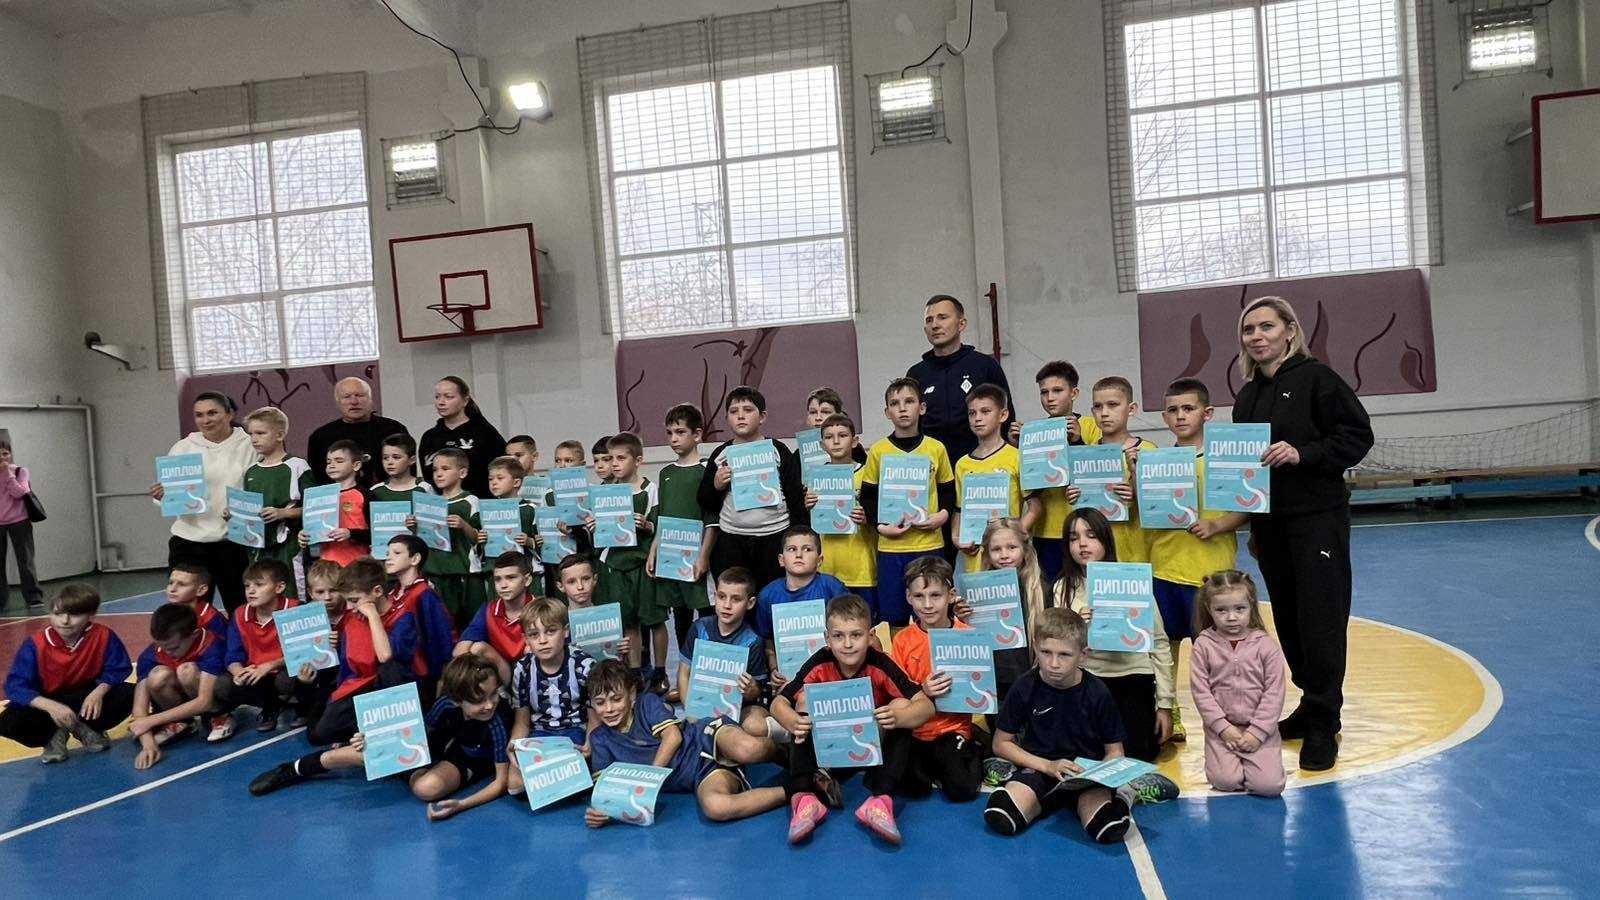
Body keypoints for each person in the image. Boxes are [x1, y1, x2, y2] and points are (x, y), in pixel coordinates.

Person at [1232, 296, 1373, 771]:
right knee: (1290, 621)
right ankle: (1311, 704)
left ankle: (1324, 722)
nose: (1257, 336)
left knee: (1320, 620)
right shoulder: (1247, 397)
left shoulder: (1318, 379)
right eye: (1249, 329)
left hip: (1316, 520)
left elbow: (1357, 437)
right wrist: (1252, 524)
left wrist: (1303, 453)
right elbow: (1243, 470)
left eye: (1266, 327)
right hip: (1271, 525)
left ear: (1290, 331)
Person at [247, 557, 422, 795]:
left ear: (377, 592)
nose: (352, 607)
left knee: (390, 671)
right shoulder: (354, 621)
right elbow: (347, 671)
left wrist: (372, 616)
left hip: (395, 695)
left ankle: (300, 767)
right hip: (359, 689)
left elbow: (385, 657)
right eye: (349, 601)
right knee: (319, 733)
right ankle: (358, 735)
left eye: (355, 601)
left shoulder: (402, 617)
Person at [771, 594, 933, 845]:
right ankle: (804, 797)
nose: (847, 644)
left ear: (870, 636)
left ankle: (880, 800)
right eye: (838, 636)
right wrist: (792, 720)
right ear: (827, 639)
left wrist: (899, 716)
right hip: (831, 748)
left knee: (901, 709)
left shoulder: (880, 662)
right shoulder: (820, 661)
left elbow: (926, 706)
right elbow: (778, 703)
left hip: (871, 748)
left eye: (856, 635)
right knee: (802, 708)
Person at [1149, 378, 1247, 745]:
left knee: (1217, 652)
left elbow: (1247, 506)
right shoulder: (1156, 464)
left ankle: (1226, 715)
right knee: (1165, 649)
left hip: (1211, 574)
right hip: (1164, 568)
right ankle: (1168, 709)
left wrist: (1216, 525)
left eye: (1188, 409)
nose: (1180, 416)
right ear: (1164, 417)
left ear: (1207, 413)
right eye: (1172, 410)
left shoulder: (1223, 460)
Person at [982, 607, 1133, 844]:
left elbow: (1115, 752)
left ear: (1083, 655)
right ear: (1035, 647)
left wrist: (1098, 775)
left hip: (1085, 776)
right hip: (1040, 768)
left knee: (1109, 828)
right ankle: (1041, 798)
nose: (1053, 663)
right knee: (1000, 815)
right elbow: (1001, 744)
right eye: (1046, 652)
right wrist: (1047, 765)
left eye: (1064, 655)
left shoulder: (1098, 692)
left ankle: (1126, 793)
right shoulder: (1024, 686)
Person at [587, 658, 786, 826]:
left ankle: (789, 754)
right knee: (717, 807)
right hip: (700, 773)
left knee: (748, 749)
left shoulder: (646, 703)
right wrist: (605, 811)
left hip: (704, 737)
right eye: (600, 703)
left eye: (616, 699)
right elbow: (606, 790)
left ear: (631, 695)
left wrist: (648, 780)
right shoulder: (599, 739)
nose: (609, 709)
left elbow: (673, 737)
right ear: (592, 704)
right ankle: (794, 788)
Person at [1057, 508, 1173, 763]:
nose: (1082, 544)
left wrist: (1165, 705)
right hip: (1087, 679)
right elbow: (1055, 648)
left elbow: (1159, 643)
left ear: (1105, 539)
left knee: (1139, 755)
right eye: (1074, 538)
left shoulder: (1134, 582)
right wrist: (1076, 624)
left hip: (1134, 677)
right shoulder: (1062, 588)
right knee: (1085, 754)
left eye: (1091, 535)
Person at [859, 377, 957, 625]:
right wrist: (881, 527)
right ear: (887, 412)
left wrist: (943, 515)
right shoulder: (878, 451)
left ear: (921, 408)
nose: (902, 408)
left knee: (933, 612)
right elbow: (868, 497)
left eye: (909, 401)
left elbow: (948, 491)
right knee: (895, 615)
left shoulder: (936, 448)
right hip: (891, 549)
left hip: (929, 545)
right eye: (895, 403)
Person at [0, 583, 133, 763]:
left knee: (131, 693)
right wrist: (51, 706)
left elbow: (118, 667)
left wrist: (99, 691)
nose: (64, 621)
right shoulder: (35, 644)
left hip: (84, 695)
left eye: (74, 615)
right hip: (47, 700)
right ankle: (52, 735)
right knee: (9, 721)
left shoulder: (103, 635)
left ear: (91, 614)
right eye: (57, 614)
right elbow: (15, 685)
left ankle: (86, 727)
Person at [150, 392, 256, 616]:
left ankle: (237, 641)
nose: (205, 420)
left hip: (234, 542)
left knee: (240, 608)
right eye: (199, 415)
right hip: (189, 542)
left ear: (229, 414)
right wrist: (162, 495)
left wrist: (243, 511)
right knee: (187, 612)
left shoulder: (250, 445)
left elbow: (259, 489)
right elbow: (170, 495)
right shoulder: (183, 447)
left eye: (212, 413)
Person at [888, 556, 983, 803]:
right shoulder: (902, 640)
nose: (928, 605)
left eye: (935, 596)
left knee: (962, 790)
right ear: (908, 597)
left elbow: (981, 691)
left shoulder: (969, 636)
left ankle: (976, 748)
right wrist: (923, 691)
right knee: (913, 789)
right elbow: (897, 697)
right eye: (919, 596)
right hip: (915, 731)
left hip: (952, 729)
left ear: (951, 596)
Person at [1189, 570, 1287, 797]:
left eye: (1239, 609)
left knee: (1269, 786)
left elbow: (1274, 693)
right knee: (1225, 781)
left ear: (1251, 605)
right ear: (1209, 609)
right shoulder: (1203, 645)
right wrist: (1223, 729)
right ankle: (1229, 764)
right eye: (1221, 610)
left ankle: (1258, 764)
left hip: (1261, 731)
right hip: (1222, 732)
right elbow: (1201, 692)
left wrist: (1257, 733)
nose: (1231, 617)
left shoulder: (1265, 645)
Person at [697, 386, 807, 588]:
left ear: (762, 416)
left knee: (772, 595)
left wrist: (797, 540)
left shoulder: (778, 450)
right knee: (736, 596)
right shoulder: (721, 454)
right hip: (732, 540)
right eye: (733, 411)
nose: (740, 416)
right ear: (727, 418)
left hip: (775, 537)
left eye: (748, 410)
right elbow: (704, 501)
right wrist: (716, 485)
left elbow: (796, 499)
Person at [643, 404, 716, 695]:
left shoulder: (706, 470)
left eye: (680, 432)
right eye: (669, 433)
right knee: (681, 620)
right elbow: (663, 518)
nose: (674, 438)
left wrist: (704, 556)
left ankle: (707, 679)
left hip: (697, 559)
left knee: (707, 617)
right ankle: (684, 681)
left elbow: (712, 520)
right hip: (671, 560)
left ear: (697, 435)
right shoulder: (666, 473)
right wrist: (654, 551)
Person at [1013, 361, 1103, 585]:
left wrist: (1078, 441)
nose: (1050, 398)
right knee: (1050, 591)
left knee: (1084, 591)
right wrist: (1019, 447)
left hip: (1084, 529)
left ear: (1074, 393)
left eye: (1057, 391)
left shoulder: (1091, 426)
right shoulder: (1034, 432)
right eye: (1044, 392)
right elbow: (1030, 485)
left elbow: (1098, 475)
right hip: (1045, 530)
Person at [906, 294, 1015, 463]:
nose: (935, 325)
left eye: (942, 317)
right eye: (929, 320)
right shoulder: (916, 374)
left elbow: (1007, 419)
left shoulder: (985, 366)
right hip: (931, 468)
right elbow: (909, 425)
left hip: (980, 466)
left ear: (961, 324)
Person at [506, 600, 598, 796]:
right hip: (540, 734)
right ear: (525, 639)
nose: (542, 640)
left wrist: (589, 744)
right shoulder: (522, 669)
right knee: (515, 786)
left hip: (575, 733)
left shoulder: (584, 665)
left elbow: (594, 719)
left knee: (570, 774)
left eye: (550, 631)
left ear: (565, 631)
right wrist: (514, 743)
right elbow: (522, 721)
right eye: (534, 635)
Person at [586, 432, 656, 686]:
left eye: (619, 458)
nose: (614, 464)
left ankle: (642, 671)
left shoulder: (649, 489)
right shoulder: (603, 493)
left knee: (641, 621)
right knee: (618, 621)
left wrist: (646, 525)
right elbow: (596, 534)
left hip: (638, 562)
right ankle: (619, 671)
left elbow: (658, 527)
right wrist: (593, 527)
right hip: (611, 563)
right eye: (610, 459)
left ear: (637, 460)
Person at [412, 653, 513, 821]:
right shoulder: (446, 704)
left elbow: (501, 782)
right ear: (457, 700)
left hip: (473, 760)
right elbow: (420, 732)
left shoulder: (496, 722)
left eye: (494, 694)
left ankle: (410, 773)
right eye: (478, 700)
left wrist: (461, 804)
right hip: (452, 746)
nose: (489, 705)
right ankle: (410, 770)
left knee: (425, 788)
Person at [129, 602, 228, 769]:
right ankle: (182, 723)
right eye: (160, 646)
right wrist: (148, 744)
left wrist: (152, 721)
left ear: (194, 634)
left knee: (186, 671)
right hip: (183, 697)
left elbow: (204, 701)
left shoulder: (211, 645)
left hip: (217, 695)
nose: (166, 652)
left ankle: (219, 716)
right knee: (157, 676)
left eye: (173, 647)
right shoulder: (152, 654)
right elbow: (139, 709)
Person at [954, 384, 1040, 572]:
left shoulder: (1017, 457)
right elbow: (959, 510)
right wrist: (956, 538)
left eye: (985, 411)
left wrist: (1014, 537)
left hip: (1007, 558)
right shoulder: (962, 464)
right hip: (975, 557)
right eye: (972, 413)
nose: (977, 418)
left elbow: (1035, 508)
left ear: (1003, 415)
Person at [677, 567, 771, 737]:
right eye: (722, 597)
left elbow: (757, 690)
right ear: (714, 597)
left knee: (754, 727)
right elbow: (684, 674)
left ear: (750, 603)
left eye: (736, 599)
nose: (727, 605)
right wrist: (690, 712)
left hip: (736, 712)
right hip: (700, 707)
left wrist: (751, 689)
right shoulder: (699, 628)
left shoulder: (753, 641)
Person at [211, 559, 297, 741]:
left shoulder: (296, 609)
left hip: (285, 670)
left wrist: (271, 665)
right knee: (222, 685)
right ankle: (270, 706)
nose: (251, 591)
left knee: (287, 680)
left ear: (279, 587)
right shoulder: (239, 614)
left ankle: (304, 705)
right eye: (247, 585)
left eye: (259, 585)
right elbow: (232, 655)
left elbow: (305, 652)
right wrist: (238, 672)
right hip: (257, 674)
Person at [804, 413, 876, 614]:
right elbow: (815, 522)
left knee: (864, 622)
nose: (836, 441)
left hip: (863, 567)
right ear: (822, 445)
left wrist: (868, 517)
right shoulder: (816, 478)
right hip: (828, 567)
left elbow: (880, 515)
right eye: (829, 437)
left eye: (842, 435)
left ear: (854, 441)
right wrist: (808, 506)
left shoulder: (868, 474)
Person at [240, 407, 313, 597]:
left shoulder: (297, 466)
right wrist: (233, 514)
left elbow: (315, 509)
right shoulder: (251, 471)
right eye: (251, 434)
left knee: (292, 593)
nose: (254, 439)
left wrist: (283, 513)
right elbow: (247, 511)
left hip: (289, 544)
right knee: (261, 593)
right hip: (257, 546)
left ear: (280, 435)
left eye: (260, 433)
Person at [976, 518, 1049, 701]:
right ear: (987, 554)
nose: (1004, 555)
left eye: (1011, 547)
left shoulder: (1039, 589)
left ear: (1025, 549)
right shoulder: (976, 592)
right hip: (994, 684)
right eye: (996, 549)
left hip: (1031, 680)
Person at [1085, 376, 1154, 565]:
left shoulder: (1147, 451)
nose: (1104, 413)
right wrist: (1075, 497)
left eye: (1113, 405)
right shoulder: (1086, 454)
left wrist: (1135, 491)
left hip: (1136, 555)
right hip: (1097, 556)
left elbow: (1158, 505)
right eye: (1098, 406)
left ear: (1131, 409)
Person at [754, 527, 847, 656]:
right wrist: (772, 661)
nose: (799, 555)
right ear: (781, 560)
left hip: (831, 661)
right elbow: (766, 637)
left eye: (807, 549)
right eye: (792, 549)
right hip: (786, 665)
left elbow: (851, 625)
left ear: (819, 560)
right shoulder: (767, 595)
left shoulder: (832, 587)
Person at [305, 376, 411, 488]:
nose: (354, 402)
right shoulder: (320, 437)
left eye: (360, 395)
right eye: (347, 397)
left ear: (370, 399)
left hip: (389, 495)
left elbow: (408, 473)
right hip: (339, 497)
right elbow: (317, 481)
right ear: (338, 402)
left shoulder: (394, 429)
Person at [456, 550, 536, 684]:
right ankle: (496, 691)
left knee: (532, 650)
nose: (503, 585)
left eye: (511, 577)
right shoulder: (488, 610)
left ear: (527, 580)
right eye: (498, 579)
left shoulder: (541, 608)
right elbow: (460, 650)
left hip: (536, 672)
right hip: (503, 672)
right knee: (477, 648)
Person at [419, 376, 506, 498]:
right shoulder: (429, 437)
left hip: (481, 501)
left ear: (465, 400)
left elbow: (503, 470)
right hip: (441, 504)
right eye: (437, 397)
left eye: (448, 397)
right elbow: (428, 478)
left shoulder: (484, 432)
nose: (441, 402)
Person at [424, 447, 482, 627]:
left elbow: (479, 538)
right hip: (434, 571)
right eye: (435, 469)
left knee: (467, 623)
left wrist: (464, 525)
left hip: (462, 571)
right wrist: (413, 526)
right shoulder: (428, 503)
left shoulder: (470, 501)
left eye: (445, 468)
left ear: (462, 473)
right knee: (440, 624)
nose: (438, 474)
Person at [298, 440, 370, 567]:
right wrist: (304, 536)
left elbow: (377, 534)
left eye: (339, 461)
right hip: (324, 567)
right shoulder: (318, 495)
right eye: (329, 462)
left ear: (356, 465)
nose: (332, 465)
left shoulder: (365, 495)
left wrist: (351, 533)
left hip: (356, 566)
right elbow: (313, 531)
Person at [0, 435, 44, 609]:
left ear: (10, 454)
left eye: (5, 453)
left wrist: (6, 474)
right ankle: (1, 599)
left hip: (19, 521)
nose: (2, 458)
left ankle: (33, 596)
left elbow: (20, 493)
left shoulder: (20, 471)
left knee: (25, 559)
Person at [165, 562, 227, 641]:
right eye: (170, 583)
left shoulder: (213, 621)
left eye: (182, 584)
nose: (172, 589)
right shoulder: (167, 613)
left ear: (201, 590)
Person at [804, 387, 866, 464]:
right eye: (813, 412)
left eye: (826, 412)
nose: (818, 418)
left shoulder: (852, 448)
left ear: (838, 415)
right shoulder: (799, 454)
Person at [370, 432, 430, 503]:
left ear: (412, 460)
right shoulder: (375, 491)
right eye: (385, 458)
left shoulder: (425, 488)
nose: (390, 462)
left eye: (396, 457)